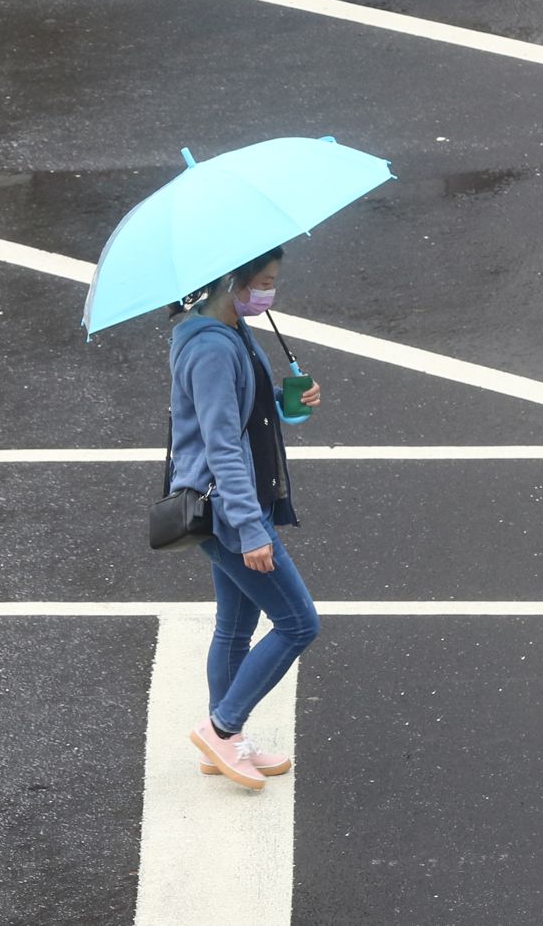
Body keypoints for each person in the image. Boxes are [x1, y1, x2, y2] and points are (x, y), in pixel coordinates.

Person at [166, 246, 322, 791]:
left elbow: (242, 409)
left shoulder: (230, 331)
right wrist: (252, 529)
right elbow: (222, 444)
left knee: (235, 626)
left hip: (231, 503)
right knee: (299, 624)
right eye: (262, 282)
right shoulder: (211, 347)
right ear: (231, 281)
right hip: (230, 509)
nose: (268, 293)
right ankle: (222, 726)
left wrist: (284, 401)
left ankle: (224, 743)